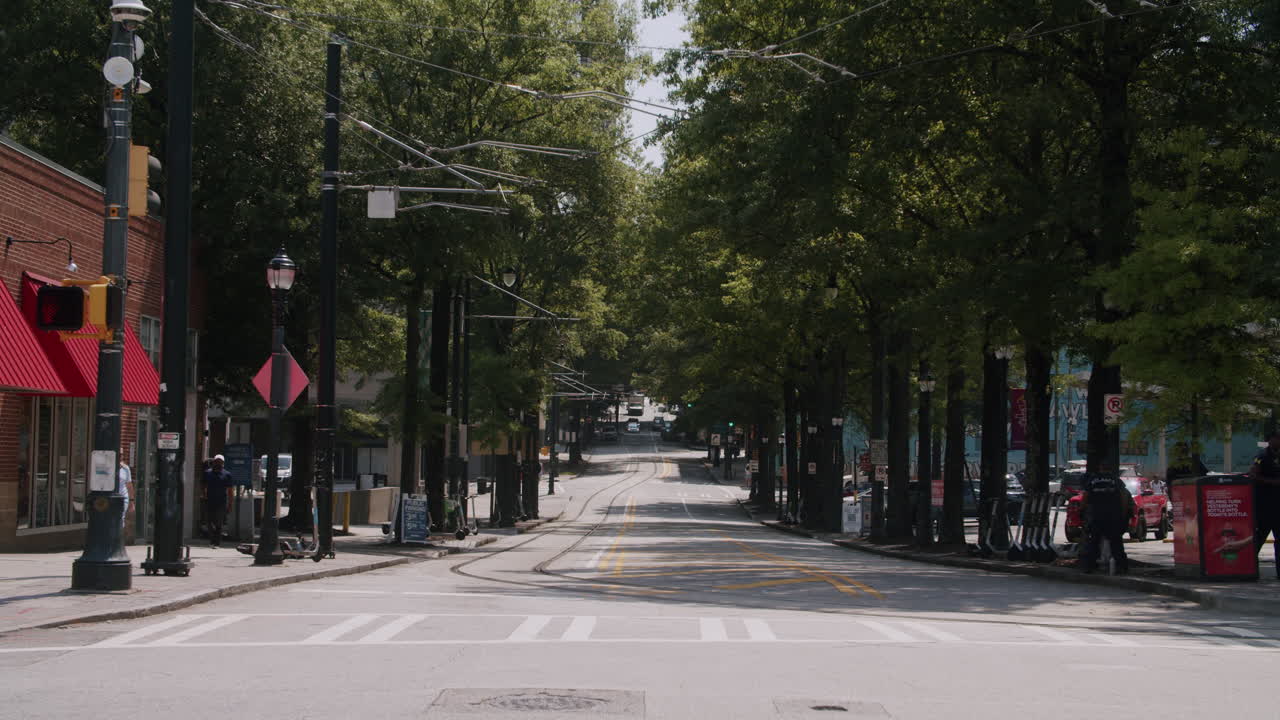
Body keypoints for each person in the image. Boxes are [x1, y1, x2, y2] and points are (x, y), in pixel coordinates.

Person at [1079, 471, 1133, 574]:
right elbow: (1123, 496)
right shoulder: (1115, 480)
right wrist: (1123, 513)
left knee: (1094, 541)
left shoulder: (1092, 480)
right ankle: (1121, 566)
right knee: (1116, 543)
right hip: (1113, 516)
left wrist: (1081, 510)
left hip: (1097, 515)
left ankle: (1089, 566)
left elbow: (1085, 496)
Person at [1249, 430, 1280, 578]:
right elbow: (1253, 474)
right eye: (1278, 438)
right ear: (1271, 439)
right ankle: (1249, 570)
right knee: (1258, 539)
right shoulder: (1262, 456)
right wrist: (1272, 482)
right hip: (1264, 507)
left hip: (1278, 507)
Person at [203, 454, 233, 547]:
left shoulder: (227, 474)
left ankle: (216, 542)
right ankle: (212, 539)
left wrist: (230, 504)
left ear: (223, 463)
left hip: (221, 501)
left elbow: (230, 490)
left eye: (220, 461)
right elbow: (203, 486)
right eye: (217, 461)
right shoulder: (207, 473)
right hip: (209, 500)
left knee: (218, 522)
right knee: (209, 521)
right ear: (214, 462)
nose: (218, 463)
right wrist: (204, 496)